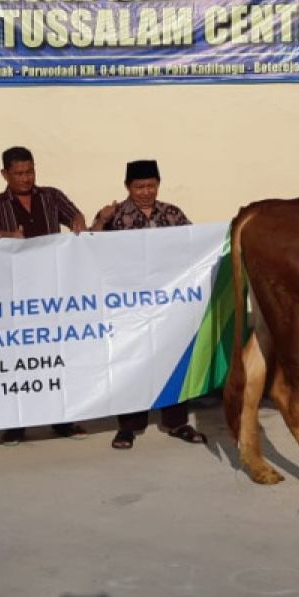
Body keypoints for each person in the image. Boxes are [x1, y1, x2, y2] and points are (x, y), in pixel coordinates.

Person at [90, 159, 208, 450]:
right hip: (128, 305)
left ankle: (177, 422)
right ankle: (128, 427)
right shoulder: (114, 216)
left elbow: (195, 244)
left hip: (168, 304)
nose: (145, 191)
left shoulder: (172, 213)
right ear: (127, 187)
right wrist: (101, 221)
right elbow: (90, 248)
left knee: (173, 361)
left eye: (151, 185)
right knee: (130, 363)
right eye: (139, 186)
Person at [0, 146, 88, 444]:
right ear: (5, 174)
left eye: (30, 171)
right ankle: (17, 424)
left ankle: (63, 420)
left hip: (52, 290)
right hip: (14, 294)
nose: (26, 178)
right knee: (19, 359)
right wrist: (3, 236)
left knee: (57, 356)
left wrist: (77, 221)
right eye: (18, 173)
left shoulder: (51, 196)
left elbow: (74, 215)